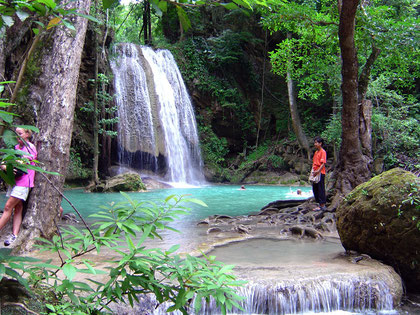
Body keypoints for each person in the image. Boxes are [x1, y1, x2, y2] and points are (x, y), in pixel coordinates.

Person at [0, 128, 37, 246]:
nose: (17, 135)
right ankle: (14, 235)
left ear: (27, 134)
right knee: (18, 207)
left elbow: (22, 162)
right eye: (16, 133)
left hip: (24, 182)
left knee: (7, 207)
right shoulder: (16, 148)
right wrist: (5, 166)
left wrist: (9, 165)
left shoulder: (30, 148)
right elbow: (4, 163)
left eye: (20, 133)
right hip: (14, 181)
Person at [311, 136, 326, 211]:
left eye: (316, 142)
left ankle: (322, 205)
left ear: (320, 143)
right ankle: (318, 204)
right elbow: (314, 162)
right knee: (315, 188)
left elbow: (323, 163)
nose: (315, 144)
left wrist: (318, 171)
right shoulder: (316, 152)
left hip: (320, 172)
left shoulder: (323, 152)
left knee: (320, 188)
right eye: (315, 142)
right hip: (315, 172)